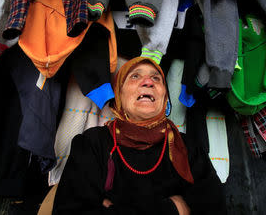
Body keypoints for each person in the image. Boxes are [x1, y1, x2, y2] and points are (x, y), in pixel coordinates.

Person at [49, 57, 226, 214]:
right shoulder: (92, 143)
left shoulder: (187, 148)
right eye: (135, 76)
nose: (148, 81)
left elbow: (214, 208)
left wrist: (113, 208)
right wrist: (172, 208)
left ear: (165, 97)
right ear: (119, 94)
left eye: (156, 78)